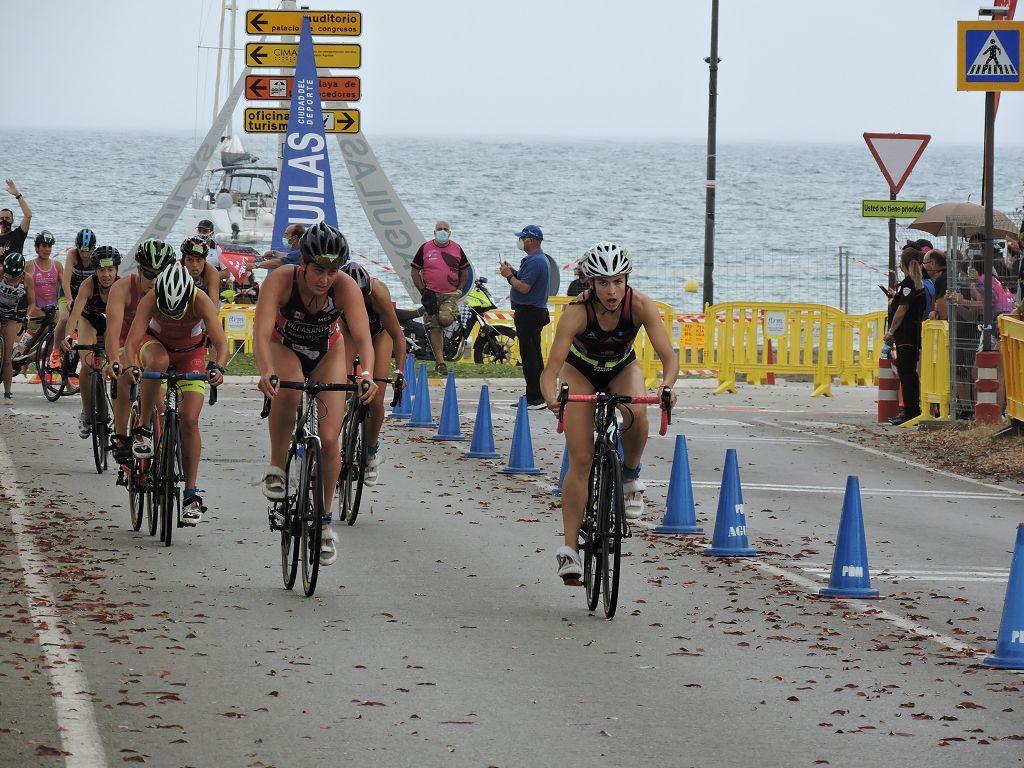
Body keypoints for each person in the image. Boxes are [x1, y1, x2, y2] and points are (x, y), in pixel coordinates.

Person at [538, 243, 678, 583]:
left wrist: (667, 386)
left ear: (626, 279)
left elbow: (668, 356)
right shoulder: (576, 311)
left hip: (620, 367)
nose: (612, 291)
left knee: (636, 410)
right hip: (580, 372)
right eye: (603, 283)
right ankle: (570, 550)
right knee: (582, 459)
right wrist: (551, 397)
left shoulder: (641, 305)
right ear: (591, 283)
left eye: (618, 281)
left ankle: (629, 476)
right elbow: (550, 370)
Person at [254, 222, 378, 566]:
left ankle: (323, 524)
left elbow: (364, 339)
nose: (325, 279)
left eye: (332, 271)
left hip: (328, 351)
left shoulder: (345, 287)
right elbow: (261, 333)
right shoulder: (281, 280)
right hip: (285, 346)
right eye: (318, 270)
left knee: (329, 440)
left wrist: (366, 374)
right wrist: (266, 371)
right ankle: (278, 466)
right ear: (303, 263)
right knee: (289, 390)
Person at [124, 262, 228, 525]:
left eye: (177, 309)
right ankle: (144, 428)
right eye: (166, 309)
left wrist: (218, 367)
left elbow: (220, 343)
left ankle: (191, 494)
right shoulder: (151, 297)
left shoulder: (200, 300)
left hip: (190, 354)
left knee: (189, 419)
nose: (172, 314)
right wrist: (133, 366)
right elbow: (133, 339)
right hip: (155, 345)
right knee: (156, 363)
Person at [105, 239, 178, 463]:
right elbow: (112, 331)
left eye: (160, 273)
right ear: (138, 269)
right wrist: (114, 360)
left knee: (162, 404)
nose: (153, 279)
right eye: (148, 273)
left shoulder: (169, 291)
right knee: (125, 374)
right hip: (124, 340)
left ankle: (161, 465)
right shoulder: (122, 288)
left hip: (153, 344)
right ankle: (120, 435)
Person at [339, 261, 407, 486]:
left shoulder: (378, 294)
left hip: (380, 333)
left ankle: (369, 452)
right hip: (350, 331)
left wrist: (399, 371)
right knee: (338, 385)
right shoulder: (337, 292)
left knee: (376, 398)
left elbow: (398, 336)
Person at [61, 246, 120, 438]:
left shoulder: (121, 286)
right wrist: (68, 336)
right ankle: (86, 412)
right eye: (102, 270)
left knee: (118, 361)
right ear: (95, 270)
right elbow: (75, 314)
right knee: (87, 364)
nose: (106, 275)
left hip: (111, 321)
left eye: (110, 270)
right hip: (88, 320)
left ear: (117, 270)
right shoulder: (88, 285)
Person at [500, 225, 551, 409]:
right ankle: (538, 392)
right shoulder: (536, 260)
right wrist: (513, 271)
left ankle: (535, 398)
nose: (520, 241)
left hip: (529, 311)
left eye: (522, 238)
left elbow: (523, 287)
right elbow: (523, 280)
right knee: (534, 353)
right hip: (534, 310)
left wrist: (508, 276)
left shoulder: (535, 261)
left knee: (529, 355)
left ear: (531, 240)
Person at [410, 220, 470, 376]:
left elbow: (465, 271)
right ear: (434, 232)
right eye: (439, 229)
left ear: (449, 232)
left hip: (450, 294)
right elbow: (414, 271)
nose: (442, 231)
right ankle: (440, 362)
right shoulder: (425, 248)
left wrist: (460, 289)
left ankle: (450, 320)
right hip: (431, 294)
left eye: (445, 229)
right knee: (435, 327)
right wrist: (423, 290)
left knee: (444, 319)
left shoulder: (457, 248)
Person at [884, 248, 927, 426]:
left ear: (903, 263)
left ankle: (911, 411)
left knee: (906, 372)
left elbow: (902, 311)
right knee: (909, 372)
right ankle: (911, 409)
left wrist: (891, 331)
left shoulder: (910, 284)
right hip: (912, 334)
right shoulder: (916, 284)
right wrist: (897, 297)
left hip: (906, 335)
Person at [15, 230, 63, 359]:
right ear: (37, 248)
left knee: (54, 343)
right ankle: (18, 356)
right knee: (25, 343)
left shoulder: (57, 265)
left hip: (53, 309)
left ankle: (27, 361)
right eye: (44, 246)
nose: (47, 250)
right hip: (35, 309)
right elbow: (19, 287)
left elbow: (65, 287)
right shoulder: (30, 265)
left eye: (49, 247)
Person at [0, 253, 28, 402]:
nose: (10, 282)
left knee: (7, 357)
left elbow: (32, 303)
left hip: (12, 316)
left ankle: (8, 392)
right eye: (7, 278)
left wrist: (27, 316)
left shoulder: (27, 279)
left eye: (14, 279)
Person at [181, 236, 222, 308]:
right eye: (190, 260)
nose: (194, 265)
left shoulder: (212, 273)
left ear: (205, 260)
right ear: (183, 260)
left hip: (205, 305)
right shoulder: (175, 269)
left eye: (199, 260)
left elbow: (213, 307)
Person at [0, 180, 32, 260]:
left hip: (14, 271)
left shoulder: (18, 235)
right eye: (1, 218)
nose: (4, 221)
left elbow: (28, 215)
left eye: (7, 218)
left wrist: (17, 195)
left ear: (12, 221)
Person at [923, 250, 948, 320]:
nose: (923, 266)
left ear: (932, 264)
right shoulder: (949, 275)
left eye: (924, 263)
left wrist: (933, 314)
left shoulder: (941, 280)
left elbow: (943, 315)